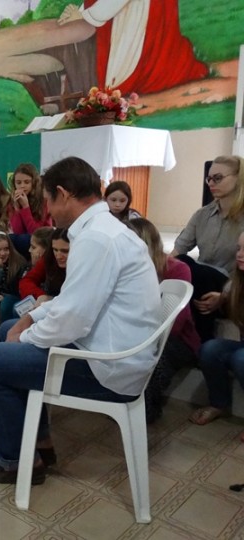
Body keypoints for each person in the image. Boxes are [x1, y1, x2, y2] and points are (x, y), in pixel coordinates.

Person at [0, 156, 160, 485]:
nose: (49, 211)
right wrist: (26, 320)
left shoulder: (96, 239)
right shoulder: (104, 228)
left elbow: (73, 319)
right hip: (111, 346)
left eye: (47, 201)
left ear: (62, 194)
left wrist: (23, 337)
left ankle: (13, 461)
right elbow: (72, 301)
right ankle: (40, 442)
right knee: (5, 329)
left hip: (108, 367)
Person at [128, 218, 200, 423]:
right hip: (141, 335)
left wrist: (144, 338)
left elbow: (178, 320)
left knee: (153, 359)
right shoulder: (128, 268)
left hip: (177, 339)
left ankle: (146, 412)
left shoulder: (177, 269)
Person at [58, 0, 208, 95]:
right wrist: (79, 12)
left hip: (138, 13)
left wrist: (83, 15)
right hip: (123, 13)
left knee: (126, 70)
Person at [171, 155, 244, 342]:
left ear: (238, 177)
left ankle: (199, 341)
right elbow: (177, 251)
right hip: (203, 280)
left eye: (218, 178)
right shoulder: (202, 215)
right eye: (209, 178)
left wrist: (225, 296)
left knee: (197, 273)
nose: (211, 183)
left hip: (234, 287)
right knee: (182, 263)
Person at [188, 231, 244, 439]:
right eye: (238, 248)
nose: (239, 254)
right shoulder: (237, 281)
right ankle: (218, 404)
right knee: (210, 349)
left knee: (240, 358)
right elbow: (230, 295)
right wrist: (222, 298)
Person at [19, 228, 70, 307]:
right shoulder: (49, 258)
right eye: (55, 250)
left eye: (65, 251)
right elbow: (26, 281)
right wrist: (40, 295)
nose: (58, 256)